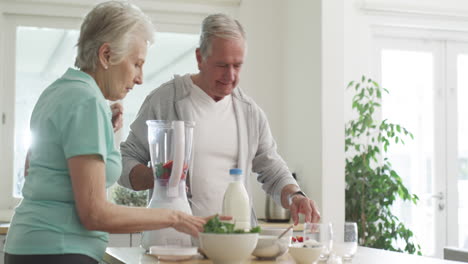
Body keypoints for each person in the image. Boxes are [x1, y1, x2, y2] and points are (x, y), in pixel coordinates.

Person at [3, 2, 208, 264]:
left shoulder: (58, 91)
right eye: (136, 64)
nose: (140, 78)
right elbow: (95, 214)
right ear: (106, 55)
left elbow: (38, 170)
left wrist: (101, 131)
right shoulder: (86, 102)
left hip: (29, 246)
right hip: (59, 250)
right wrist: (177, 217)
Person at [119, 13, 321, 225]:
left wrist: (296, 196)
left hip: (236, 242)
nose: (231, 75)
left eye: (237, 65)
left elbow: (273, 170)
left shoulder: (249, 113)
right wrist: (157, 178)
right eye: (222, 65)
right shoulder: (165, 101)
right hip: (176, 242)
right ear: (199, 58)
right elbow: (125, 159)